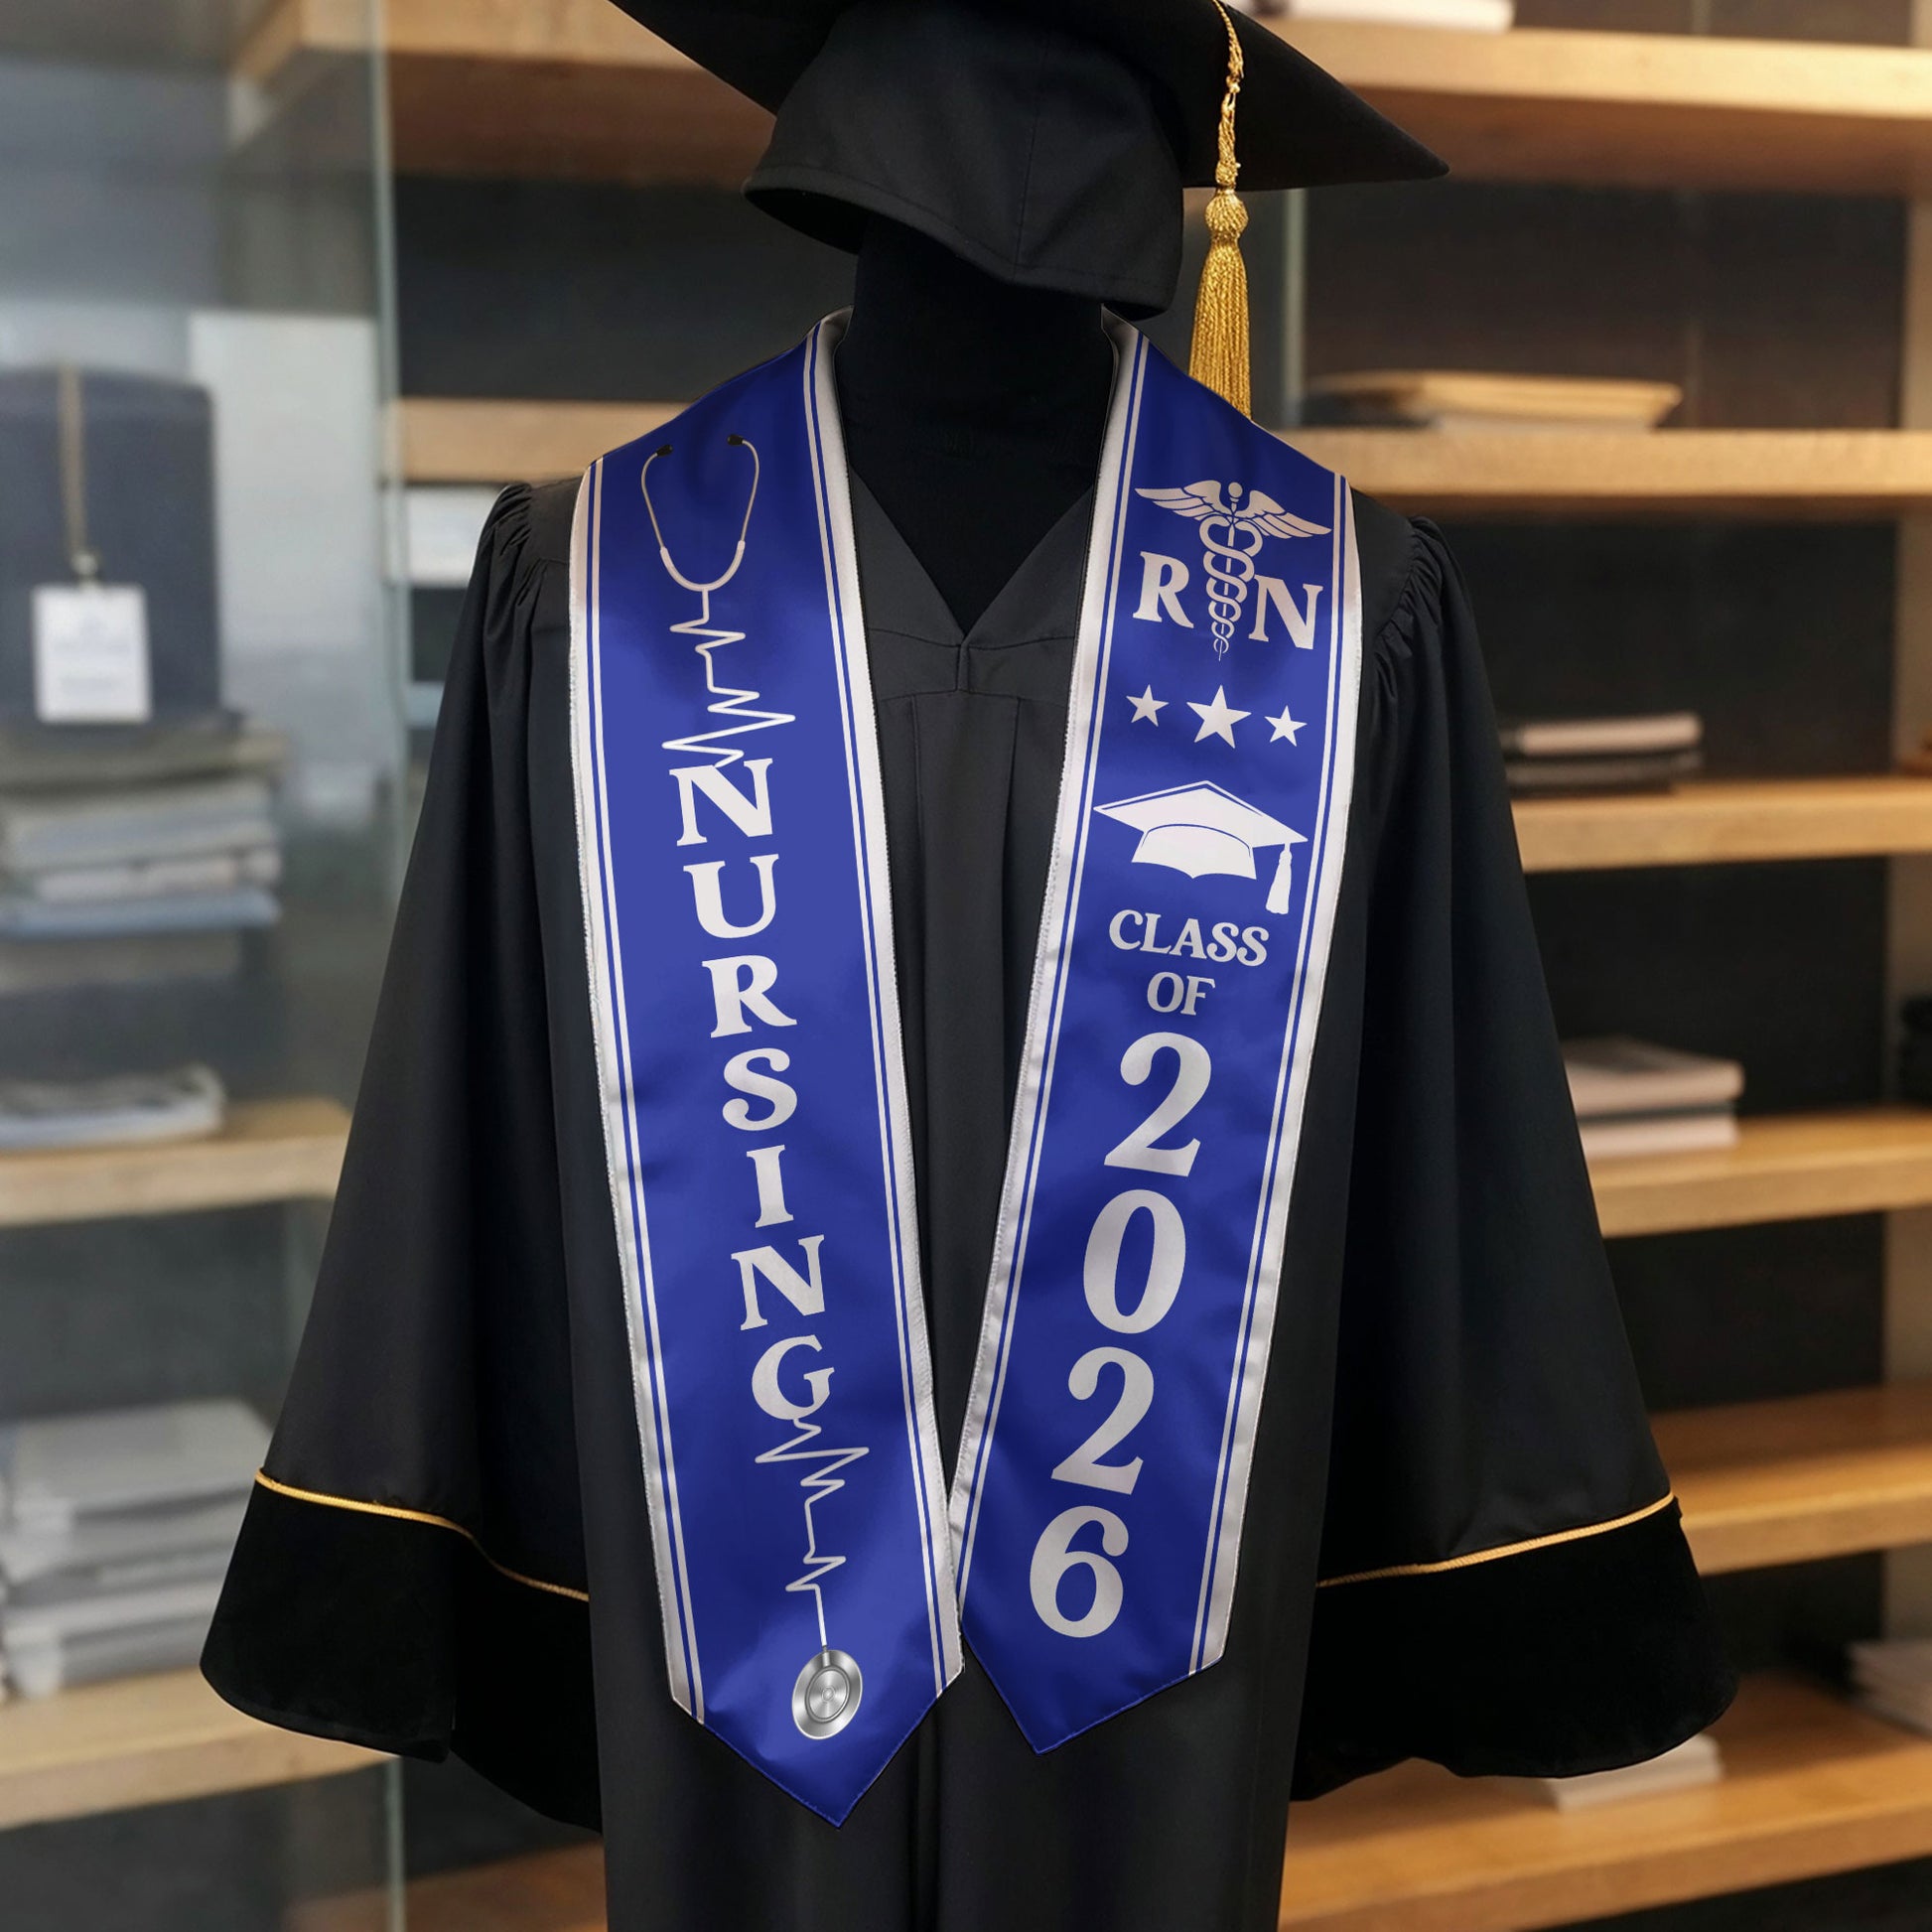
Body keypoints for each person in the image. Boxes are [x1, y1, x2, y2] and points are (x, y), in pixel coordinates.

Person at [204, 5, 1732, 1928]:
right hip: (738, 1600)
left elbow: (1447, 1144)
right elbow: (474, 1114)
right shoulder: (598, 587)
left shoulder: (1334, 607)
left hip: (1152, 1592)